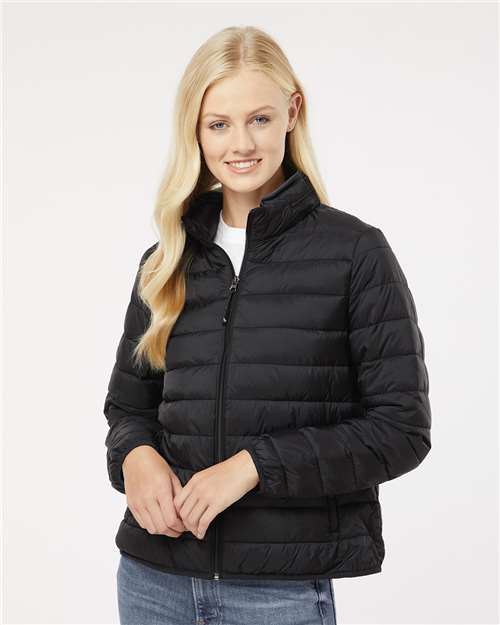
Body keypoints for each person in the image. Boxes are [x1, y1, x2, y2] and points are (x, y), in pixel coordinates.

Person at [103, 25, 432, 625]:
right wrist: (136, 457)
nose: (241, 143)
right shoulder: (166, 261)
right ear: (195, 131)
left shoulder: (354, 254)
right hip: (153, 581)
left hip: (278, 593)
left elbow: (401, 429)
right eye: (218, 124)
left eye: (259, 118)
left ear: (292, 113)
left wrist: (253, 467)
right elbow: (128, 409)